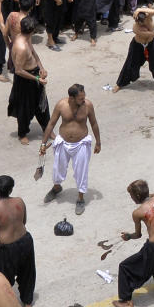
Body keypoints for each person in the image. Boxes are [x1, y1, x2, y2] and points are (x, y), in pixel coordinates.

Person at [113, 180, 154, 307]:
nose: (131, 199)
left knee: (125, 267)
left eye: (131, 196)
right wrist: (146, 195)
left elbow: (138, 235)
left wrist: (128, 236)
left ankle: (125, 300)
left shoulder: (138, 213)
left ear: (136, 196)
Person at [40, 84, 101, 215]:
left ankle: (80, 198)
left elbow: (94, 123)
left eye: (84, 97)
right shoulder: (61, 105)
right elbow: (51, 123)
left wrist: (98, 142)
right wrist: (43, 144)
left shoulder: (88, 106)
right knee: (58, 169)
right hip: (63, 142)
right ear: (71, 98)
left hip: (81, 144)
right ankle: (56, 188)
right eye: (80, 98)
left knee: (81, 172)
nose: (83, 100)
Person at [0, 175, 35, 307]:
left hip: (7, 248)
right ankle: (27, 302)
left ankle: (3, 302)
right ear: (11, 189)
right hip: (25, 240)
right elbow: (24, 221)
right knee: (27, 272)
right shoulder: (19, 201)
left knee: (1, 275)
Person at [7, 16, 51, 145]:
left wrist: (41, 68)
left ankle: (47, 128)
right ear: (32, 30)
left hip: (35, 73)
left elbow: (33, 53)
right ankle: (22, 133)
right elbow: (19, 70)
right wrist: (37, 78)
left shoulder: (27, 38)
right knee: (25, 108)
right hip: (25, 79)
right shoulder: (20, 47)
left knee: (43, 103)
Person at [113, 6, 154, 94]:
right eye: (139, 22)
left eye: (142, 22)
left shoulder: (149, 18)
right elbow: (152, 34)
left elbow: (153, 11)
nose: (141, 24)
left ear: (146, 17)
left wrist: (139, 9)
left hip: (150, 44)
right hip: (137, 45)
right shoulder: (135, 28)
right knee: (130, 64)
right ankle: (119, 84)